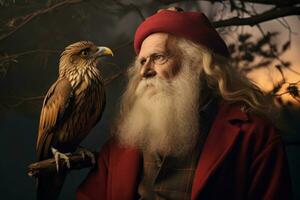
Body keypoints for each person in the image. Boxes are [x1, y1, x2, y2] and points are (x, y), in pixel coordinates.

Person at [76, 8, 292, 200]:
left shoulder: (253, 137)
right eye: (142, 61)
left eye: (158, 57)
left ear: (196, 64)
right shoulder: (122, 142)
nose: (144, 71)